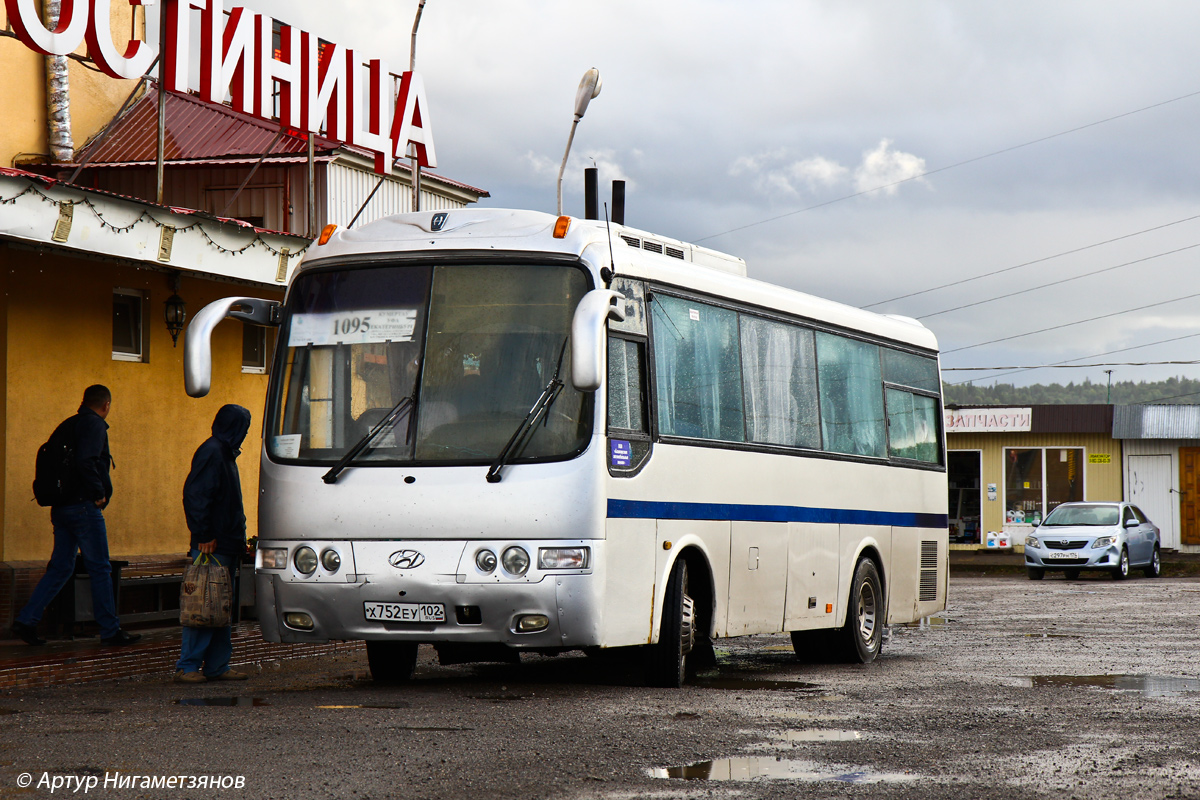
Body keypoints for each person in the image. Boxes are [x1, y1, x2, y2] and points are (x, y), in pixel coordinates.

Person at [11, 385, 142, 647]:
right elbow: (87, 461)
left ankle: (26, 620)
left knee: (61, 567)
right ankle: (110, 630)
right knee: (100, 567)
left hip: (61, 508)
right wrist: (98, 493)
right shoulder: (94, 425)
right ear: (106, 405)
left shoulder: (68, 425)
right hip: (84, 508)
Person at [174, 404, 253, 683]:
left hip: (224, 543)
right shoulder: (214, 452)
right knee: (204, 605)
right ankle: (189, 666)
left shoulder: (222, 451)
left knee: (219, 607)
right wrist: (204, 533)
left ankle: (217, 665)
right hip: (214, 544)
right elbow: (196, 496)